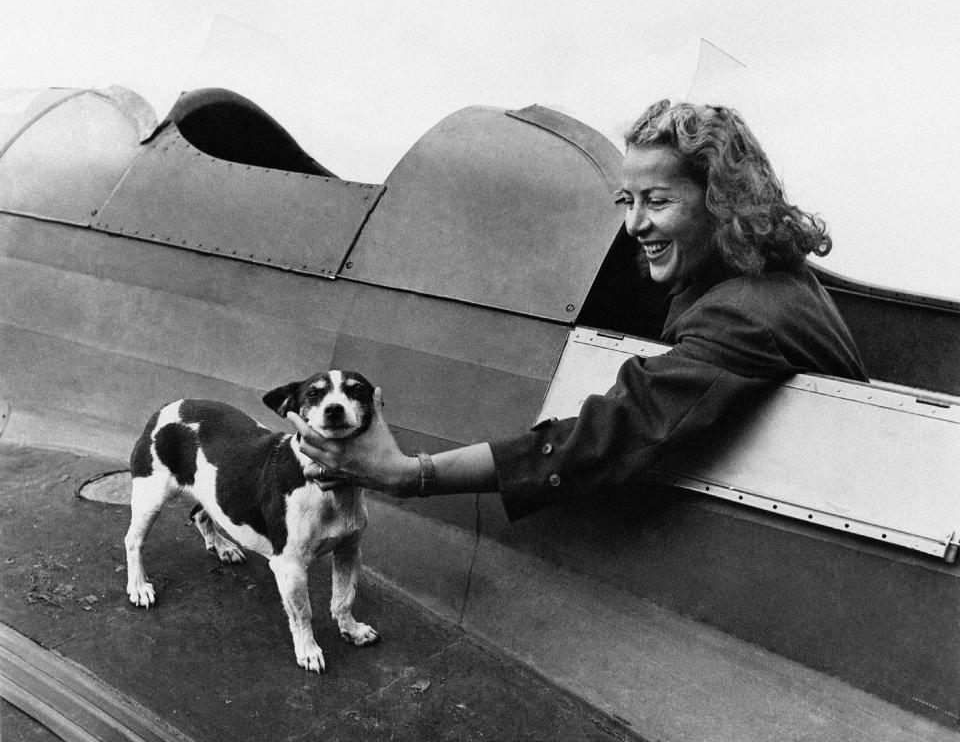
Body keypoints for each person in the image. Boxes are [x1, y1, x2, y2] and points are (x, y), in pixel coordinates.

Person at [287, 100, 868, 521]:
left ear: (722, 204)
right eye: (628, 200)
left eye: (658, 202)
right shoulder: (776, 275)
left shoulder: (744, 316)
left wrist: (411, 474)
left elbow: (604, 433)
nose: (635, 224)